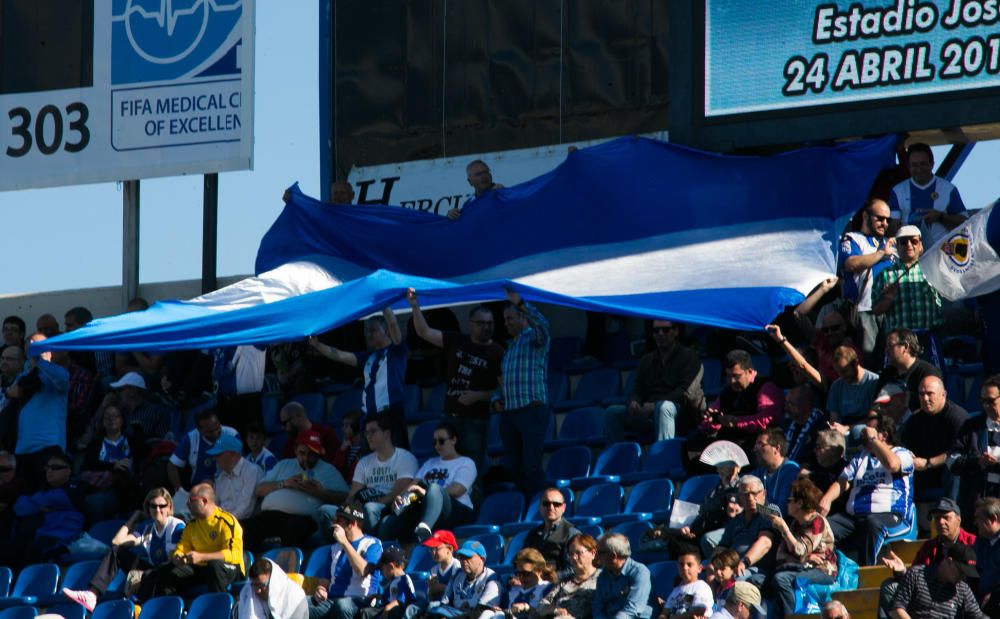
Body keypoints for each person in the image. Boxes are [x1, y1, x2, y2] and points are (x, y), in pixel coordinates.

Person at [407, 289, 503, 471]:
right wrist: (414, 306)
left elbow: (505, 391)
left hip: (476, 421)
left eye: (490, 323)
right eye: (481, 323)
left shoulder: (497, 352)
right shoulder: (457, 340)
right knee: (443, 468)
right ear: (471, 324)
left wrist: (479, 396)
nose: (486, 327)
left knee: (473, 469)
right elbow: (424, 332)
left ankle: (473, 500)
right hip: (449, 417)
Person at [62, 487, 185, 612]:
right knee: (116, 552)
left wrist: (142, 577)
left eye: (162, 506)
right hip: (152, 572)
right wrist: (133, 519)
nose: (158, 510)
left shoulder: (176, 526)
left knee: (150, 575)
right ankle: (92, 595)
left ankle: (140, 607)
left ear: (169, 507)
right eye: (153, 506)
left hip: (168, 573)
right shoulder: (147, 529)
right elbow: (117, 542)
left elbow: (172, 559)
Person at [820, 415, 915, 565]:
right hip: (855, 516)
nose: (862, 434)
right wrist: (826, 499)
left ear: (883, 435)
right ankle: (829, 570)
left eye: (868, 430)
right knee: (825, 526)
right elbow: (843, 481)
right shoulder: (860, 458)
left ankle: (866, 572)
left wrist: (873, 440)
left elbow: (892, 465)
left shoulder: (902, 453)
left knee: (872, 524)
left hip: (889, 516)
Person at [309, 307, 409, 448]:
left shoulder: (396, 351)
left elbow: (393, 325)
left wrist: (384, 304)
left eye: (373, 330)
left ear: (386, 331)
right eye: (366, 331)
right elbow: (339, 355)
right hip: (369, 416)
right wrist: (317, 345)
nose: (368, 334)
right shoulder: (367, 357)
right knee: (368, 461)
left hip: (391, 413)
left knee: (398, 457)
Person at [246, 430, 349, 551]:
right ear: (295, 450)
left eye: (311, 454)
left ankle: (288, 566)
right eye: (302, 453)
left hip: (303, 518)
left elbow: (346, 497)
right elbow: (259, 490)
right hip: (271, 515)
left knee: (292, 527)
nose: (306, 458)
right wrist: (285, 483)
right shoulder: (284, 465)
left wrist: (321, 493)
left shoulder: (328, 470)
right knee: (248, 526)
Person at [605, 319, 704, 442]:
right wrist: (634, 402)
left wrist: (655, 405)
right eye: (656, 330)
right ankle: (619, 457)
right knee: (611, 413)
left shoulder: (689, 357)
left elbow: (685, 392)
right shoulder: (646, 360)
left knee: (664, 407)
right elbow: (638, 388)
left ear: (676, 331)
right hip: (648, 413)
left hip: (681, 413)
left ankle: (663, 457)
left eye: (665, 330)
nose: (660, 334)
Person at [494, 289, 551, 497]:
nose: (506, 323)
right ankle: (524, 512)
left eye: (510, 318)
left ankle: (540, 510)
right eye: (505, 319)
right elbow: (505, 382)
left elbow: (543, 325)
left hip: (531, 412)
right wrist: (496, 400)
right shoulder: (511, 347)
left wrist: (520, 302)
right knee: (516, 470)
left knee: (532, 468)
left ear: (522, 317)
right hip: (510, 414)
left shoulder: (534, 339)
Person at [145, 482, 245, 599]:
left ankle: (218, 608)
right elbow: (181, 548)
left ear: (204, 501)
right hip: (202, 568)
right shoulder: (191, 526)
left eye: (191, 500)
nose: (187, 504)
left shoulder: (226, 522)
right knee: (166, 571)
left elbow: (234, 554)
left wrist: (202, 557)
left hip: (229, 568)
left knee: (214, 566)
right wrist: (178, 557)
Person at [379, 422, 476, 542]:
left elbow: (457, 490)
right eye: (434, 442)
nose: (437, 445)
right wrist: (400, 497)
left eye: (441, 441)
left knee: (434, 488)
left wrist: (428, 493)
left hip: (456, 510)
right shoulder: (430, 463)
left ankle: (425, 529)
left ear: (454, 440)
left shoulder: (466, 463)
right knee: (387, 522)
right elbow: (414, 484)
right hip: (425, 505)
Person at [879, 498, 976, 617]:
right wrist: (903, 572)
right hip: (930, 596)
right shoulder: (929, 547)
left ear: (958, 520)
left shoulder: (973, 543)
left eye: (946, 517)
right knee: (890, 587)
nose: (940, 522)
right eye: (937, 518)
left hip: (961, 598)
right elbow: (915, 581)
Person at [323, 413, 418, 534]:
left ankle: (369, 546)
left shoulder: (405, 458)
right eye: (366, 433)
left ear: (386, 434)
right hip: (364, 509)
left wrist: (366, 508)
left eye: (373, 431)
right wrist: (344, 512)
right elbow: (352, 495)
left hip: (391, 508)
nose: (368, 436)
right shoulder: (364, 462)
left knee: (370, 508)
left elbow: (397, 493)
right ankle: (337, 549)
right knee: (325, 511)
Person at [767, 478, 838, 616]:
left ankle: (794, 617)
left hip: (823, 571)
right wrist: (804, 559)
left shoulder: (817, 522)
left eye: (789, 500)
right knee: (763, 579)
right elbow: (780, 555)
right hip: (803, 568)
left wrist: (784, 529)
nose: (786, 504)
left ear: (799, 503)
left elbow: (800, 550)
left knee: (781, 579)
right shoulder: (796, 524)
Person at [4, 450, 85, 566]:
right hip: (42, 537)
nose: (49, 471)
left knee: (34, 551)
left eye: (55, 467)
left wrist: (35, 503)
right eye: (47, 468)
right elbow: (19, 508)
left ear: (69, 470)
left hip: (61, 540)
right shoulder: (44, 490)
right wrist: (38, 505)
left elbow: (48, 499)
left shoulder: (73, 490)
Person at [9, 333, 69, 485]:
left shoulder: (59, 372)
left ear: (50, 350)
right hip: (23, 449)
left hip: (48, 447)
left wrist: (40, 361)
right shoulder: (22, 376)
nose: (34, 348)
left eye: (38, 345)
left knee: (48, 497)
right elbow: (13, 392)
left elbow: (62, 381)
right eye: (30, 345)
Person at [839, 198, 897, 358]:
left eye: (888, 219)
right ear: (865, 216)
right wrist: (880, 254)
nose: (884, 223)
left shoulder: (891, 243)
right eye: (879, 218)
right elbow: (851, 264)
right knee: (870, 361)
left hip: (893, 312)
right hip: (866, 312)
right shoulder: (853, 239)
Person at [698, 350, 784, 454]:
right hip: (726, 446)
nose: (732, 381)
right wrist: (713, 421)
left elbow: (767, 420)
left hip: (752, 447)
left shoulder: (766, 387)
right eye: (728, 376)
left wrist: (736, 422)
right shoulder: (727, 392)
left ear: (750, 371)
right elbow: (710, 419)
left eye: (736, 376)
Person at [649, 463, 741, 559]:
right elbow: (704, 513)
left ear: (734, 469)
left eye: (722, 467)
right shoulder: (715, 489)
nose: (718, 470)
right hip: (706, 527)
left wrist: (732, 506)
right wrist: (690, 528)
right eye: (718, 467)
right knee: (674, 539)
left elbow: (736, 515)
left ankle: (714, 565)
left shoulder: (739, 487)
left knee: (706, 539)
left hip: (727, 528)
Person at [309, 505, 383, 619]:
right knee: (301, 603)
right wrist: (321, 589)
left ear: (352, 523)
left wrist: (344, 542)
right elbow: (325, 578)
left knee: (343, 606)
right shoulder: (334, 548)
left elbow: (363, 570)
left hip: (360, 600)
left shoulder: (373, 544)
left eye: (339, 521)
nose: (334, 524)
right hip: (332, 600)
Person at [888, 142, 968, 245]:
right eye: (914, 165)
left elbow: (965, 222)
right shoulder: (897, 191)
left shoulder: (948, 189)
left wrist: (941, 217)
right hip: (910, 253)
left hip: (940, 253)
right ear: (908, 166)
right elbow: (892, 227)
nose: (919, 169)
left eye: (923, 164)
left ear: (932, 164)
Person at [901, 375, 966, 497]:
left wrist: (927, 463)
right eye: (921, 394)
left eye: (930, 393)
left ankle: (949, 511)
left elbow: (958, 452)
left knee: (954, 467)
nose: (925, 398)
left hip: (945, 472)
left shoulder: (957, 417)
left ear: (943, 394)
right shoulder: (914, 420)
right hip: (921, 472)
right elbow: (904, 445)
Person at [871, 225, 943, 332]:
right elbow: (875, 311)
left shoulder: (933, 270)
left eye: (914, 241)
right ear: (897, 247)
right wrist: (888, 297)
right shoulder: (884, 275)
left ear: (920, 246)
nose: (909, 245)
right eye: (904, 242)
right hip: (900, 341)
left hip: (930, 335)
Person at [889, 543, 986, 618]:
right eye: (961, 572)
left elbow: (979, 616)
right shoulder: (916, 574)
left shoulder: (963, 589)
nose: (963, 577)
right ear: (949, 561)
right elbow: (896, 609)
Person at [950, 375, 1000, 517]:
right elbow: (952, 461)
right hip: (976, 506)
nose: (986, 406)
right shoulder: (970, 426)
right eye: (983, 401)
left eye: (990, 401)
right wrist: (976, 461)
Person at [167, 408, 240, 490]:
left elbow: (240, 467)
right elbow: (172, 466)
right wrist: (180, 492)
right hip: (199, 490)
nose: (215, 433)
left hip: (228, 488)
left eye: (217, 428)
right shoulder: (190, 438)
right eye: (210, 432)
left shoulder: (232, 435)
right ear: (199, 430)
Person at [427, 540, 500, 619]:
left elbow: (481, 611)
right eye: (461, 557)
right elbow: (444, 603)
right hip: (455, 614)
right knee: (432, 609)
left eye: (468, 557)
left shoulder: (491, 579)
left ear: (482, 559)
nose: (464, 561)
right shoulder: (457, 575)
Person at [534, 533, 600, 619]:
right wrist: (555, 610)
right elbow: (542, 606)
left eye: (578, 553)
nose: (574, 557)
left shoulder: (602, 578)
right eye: (571, 554)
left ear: (592, 553)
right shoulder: (565, 580)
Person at [875, 328, 942, 412]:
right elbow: (876, 405)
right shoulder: (887, 373)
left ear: (905, 347)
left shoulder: (928, 374)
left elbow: (932, 407)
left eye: (890, 346)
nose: (886, 350)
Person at [524, 488, 582, 578]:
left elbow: (573, 569)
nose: (551, 508)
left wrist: (548, 579)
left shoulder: (572, 534)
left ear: (563, 508)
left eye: (556, 504)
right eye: (546, 504)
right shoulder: (532, 534)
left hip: (559, 586)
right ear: (540, 507)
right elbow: (523, 562)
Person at [593, 533, 652, 619]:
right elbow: (597, 608)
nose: (596, 556)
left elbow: (633, 609)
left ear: (613, 556)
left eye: (599, 552)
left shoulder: (639, 572)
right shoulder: (603, 576)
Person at [210, 434, 263, 521]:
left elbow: (246, 509)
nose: (215, 459)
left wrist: (222, 522)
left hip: (243, 525)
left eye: (218, 455)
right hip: (222, 523)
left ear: (232, 454)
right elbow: (214, 505)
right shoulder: (221, 477)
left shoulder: (252, 471)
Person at [826, 345, 879, 429]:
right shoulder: (836, 386)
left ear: (856, 363)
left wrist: (847, 428)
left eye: (845, 371)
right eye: (838, 373)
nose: (842, 376)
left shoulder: (874, 382)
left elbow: (874, 419)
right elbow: (834, 419)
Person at [108, 372, 170, 444]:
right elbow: (97, 432)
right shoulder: (119, 411)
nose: (117, 394)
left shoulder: (157, 412)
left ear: (133, 391)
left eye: (120, 390)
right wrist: (104, 407)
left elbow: (164, 444)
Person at [239, 557, 309, 619]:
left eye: (261, 585)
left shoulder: (295, 597)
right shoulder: (248, 593)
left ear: (273, 581)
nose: (258, 590)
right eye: (254, 585)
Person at [494, 548, 555, 619]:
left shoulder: (548, 589)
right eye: (518, 573)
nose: (522, 577)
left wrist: (527, 608)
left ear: (539, 570)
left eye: (526, 573)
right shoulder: (512, 590)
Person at [750, 428, 800, 514]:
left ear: (776, 448)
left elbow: (781, 512)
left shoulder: (790, 470)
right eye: (755, 445)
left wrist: (753, 507)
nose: (755, 449)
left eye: (760, 444)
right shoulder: (760, 472)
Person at [359, 547, 415, 619]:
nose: (381, 573)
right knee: (365, 611)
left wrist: (387, 608)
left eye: (382, 569)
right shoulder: (392, 581)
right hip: (387, 609)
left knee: (367, 613)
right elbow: (390, 596)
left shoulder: (403, 580)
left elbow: (399, 601)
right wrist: (377, 596)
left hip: (398, 612)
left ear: (391, 566)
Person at [658, 548, 713, 619]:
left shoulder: (701, 587)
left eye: (689, 564)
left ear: (699, 568)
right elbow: (665, 612)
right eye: (681, 564)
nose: (685, 568)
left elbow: (699, 611)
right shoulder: (676, 590)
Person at [781, 385, 827, 467]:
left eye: (791, 404)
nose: (786, 408)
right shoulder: (787, 423)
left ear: (806, 405)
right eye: (786, 403)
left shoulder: (820, 425)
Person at [973, 497, 1000, 615]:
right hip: (979, 602)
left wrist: (994, 595)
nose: (975, 523)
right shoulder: (980, 542)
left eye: (979, 518)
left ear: (993, 519)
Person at [422, 530, 462, 603]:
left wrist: (440, 587)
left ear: (449, 549)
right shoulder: (434, 570)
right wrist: (431, 589)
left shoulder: (457, 567)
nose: (433, 552)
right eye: (431, 549)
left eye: (437, 548)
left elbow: (458, 592)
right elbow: (430, 596)